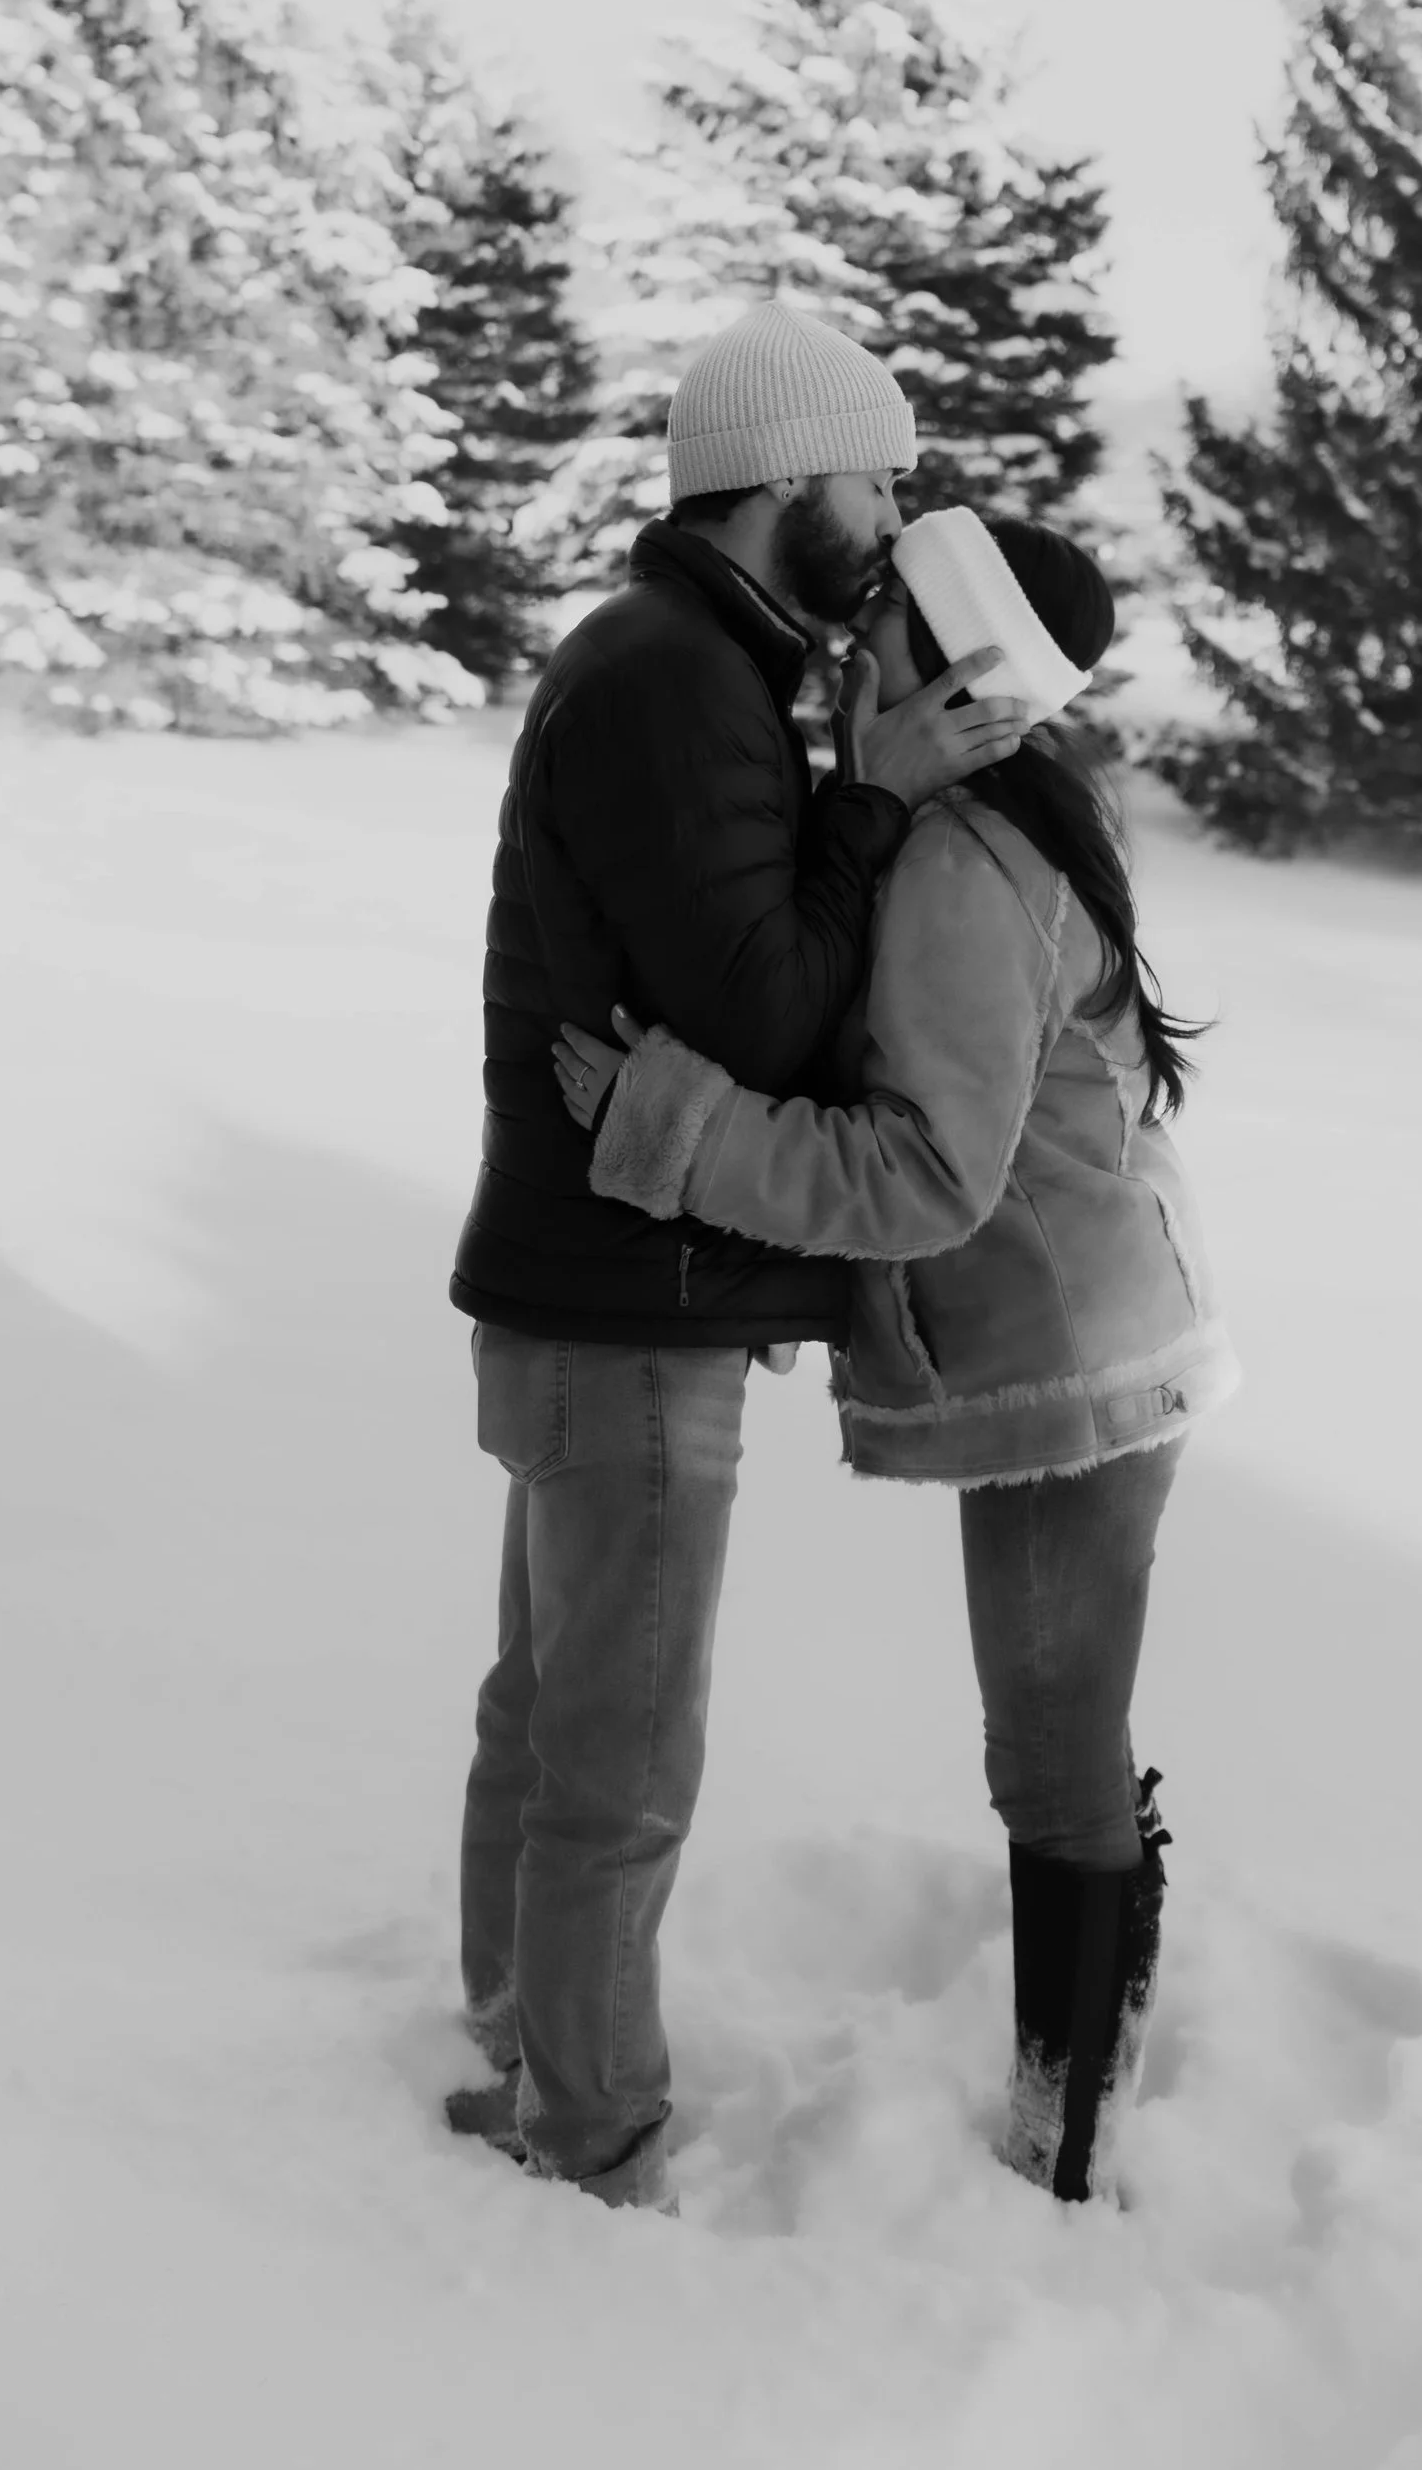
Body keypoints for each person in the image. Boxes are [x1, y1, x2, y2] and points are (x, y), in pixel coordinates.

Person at [556, 504, 1234, 2206]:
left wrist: (675, 1123)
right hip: (1080, 1341)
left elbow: (925, 1175)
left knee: (1055, 1756)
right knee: (1060, 1745)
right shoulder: (987, 823)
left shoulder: (961, 872)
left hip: (1067, 1369)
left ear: (968, 671)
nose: (851, 650)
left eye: (889, 629)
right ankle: (1069, 2116)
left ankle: (1063, 2151)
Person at [445, 303, 1028, 2209]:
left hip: (591, 1289)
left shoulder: (689, 656)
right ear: (784, 480)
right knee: (616, 1754)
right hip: (624, 1303)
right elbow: (769, 1014)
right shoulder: (677, 680)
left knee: (549, 1712)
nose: (895, 506)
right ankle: (589, 2139)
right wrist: (877, 797)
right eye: (876, 474)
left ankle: (524, 2048)